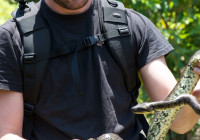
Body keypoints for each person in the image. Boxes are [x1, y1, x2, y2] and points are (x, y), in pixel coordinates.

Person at [0, 0, 200, 139]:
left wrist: (196, 96)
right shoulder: (12, 38)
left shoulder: (130, 25)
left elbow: (178, 122)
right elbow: (6, 134)